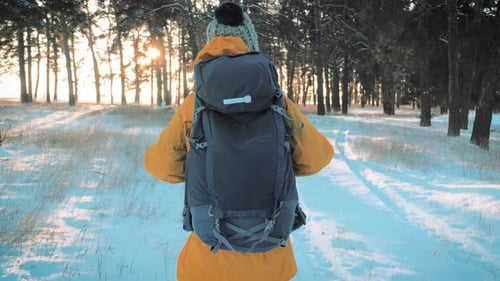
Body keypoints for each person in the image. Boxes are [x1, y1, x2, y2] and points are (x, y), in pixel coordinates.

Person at [144, 2, 333, 280]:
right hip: (272, 262)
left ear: (211, 40)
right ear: (250, 43)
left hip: (208, 261)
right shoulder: (277, 101)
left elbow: (161, 167)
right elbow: (318, 158)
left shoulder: (194, 105)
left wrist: (208, 163)